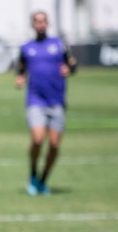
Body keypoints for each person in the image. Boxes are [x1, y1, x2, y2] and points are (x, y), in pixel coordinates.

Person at [15, 11, 77, 196]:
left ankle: (43, 180)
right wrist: (19, 77)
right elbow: (20, 67)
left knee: (55, 145)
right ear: (33, 24)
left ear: (47, 23)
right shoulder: (26, 47)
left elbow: (73, 65)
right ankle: (33, 173)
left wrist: (69, 69)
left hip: (56, 100)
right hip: (35, 100)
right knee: (37, 139)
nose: (40, 24)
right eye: (37, 21)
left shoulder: (59, 44)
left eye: (43, 21)